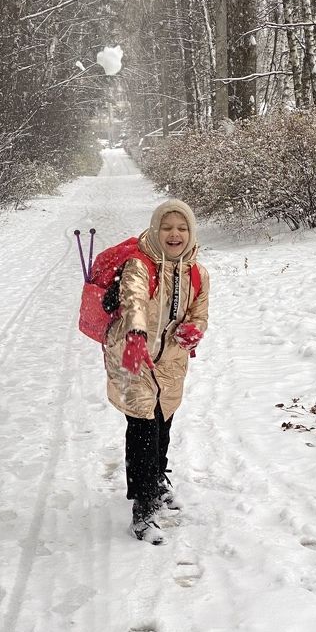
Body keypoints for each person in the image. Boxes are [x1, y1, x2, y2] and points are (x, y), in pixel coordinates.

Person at [104, 199, 210, 544]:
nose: (174, 234)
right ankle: (143, 503)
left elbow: (199, 311)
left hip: (171, 357)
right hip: (132, 352)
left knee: (163, 418)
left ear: (190, 232)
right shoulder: (140, 264)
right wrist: (136, 333)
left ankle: (158, 477)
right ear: (155, 229)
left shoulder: (197, 272)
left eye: (181, 228)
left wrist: (195, 329)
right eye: (167, 227)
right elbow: (133, 300)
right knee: (142, 424)